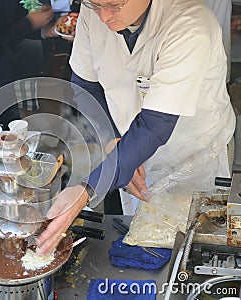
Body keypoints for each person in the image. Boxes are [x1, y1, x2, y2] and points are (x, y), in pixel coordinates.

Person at [36, 0, 235, 255]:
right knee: (142, 241)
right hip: (129, 152)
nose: (104, 16)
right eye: (95, 4)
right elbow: (86, 86)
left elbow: (154, 126)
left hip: (193, 155)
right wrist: (112, 141)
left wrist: (86, 189)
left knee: (194, 248)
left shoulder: (190, 23)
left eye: (115, 5)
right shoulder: (93, 12)